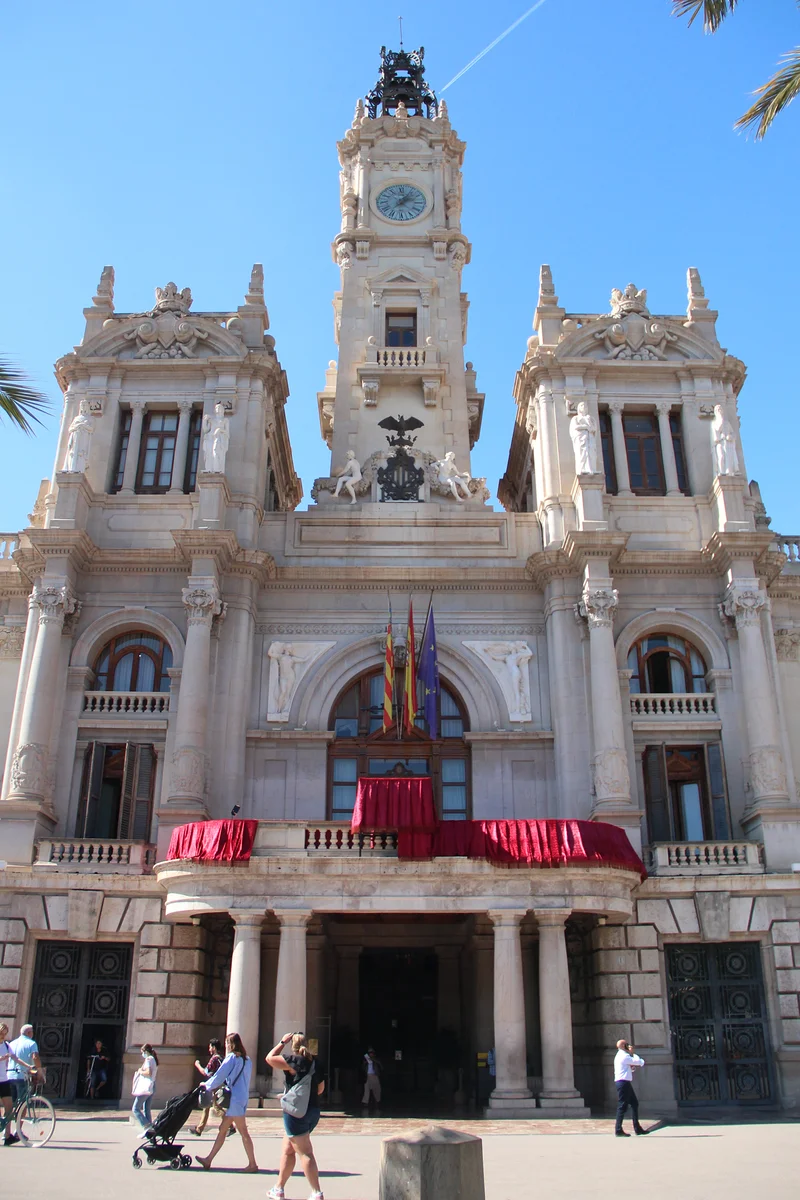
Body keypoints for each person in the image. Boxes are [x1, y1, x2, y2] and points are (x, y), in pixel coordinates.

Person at [265, 1031, 325, 1200]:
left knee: (305, 1152)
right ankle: (279, 1188)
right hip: (313, 1111)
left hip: (296, 1112)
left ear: (294, 1046)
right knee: (288, 1149)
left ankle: (316, 1192)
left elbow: (269, 1058)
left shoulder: (294, 1061)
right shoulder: (315, 1063)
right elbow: (320, 1089)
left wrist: (281, 1042)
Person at [195, 1032, 258, 1173]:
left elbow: (220, 1075)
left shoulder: (231, 1058)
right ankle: (208, 1159)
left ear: (230, 1044)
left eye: (227, 1043)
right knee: (223, 1129)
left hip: (234, 1099)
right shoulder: (247, 1059)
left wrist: (207, 1086)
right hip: (242, 1097)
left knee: (243, 1131)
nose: (226, 1046)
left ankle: (252, 1164)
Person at [190, 1038, 233, 1137]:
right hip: (218, 1085)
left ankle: (230, 1126)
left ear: (214, 1047)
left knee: (216, 1107)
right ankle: (199, 1129)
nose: (209, 1049)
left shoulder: (214, 1059)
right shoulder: (222, 1058)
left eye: (210, 1047)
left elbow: (205, 1072)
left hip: (214, 1086)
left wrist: (197, 1065)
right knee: (207, 1107)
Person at [614, 1038, 648, 1136]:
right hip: (623, 1082)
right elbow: (639, 1062)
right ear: (624, 1046)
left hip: (624, 1082)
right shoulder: (624, 1056)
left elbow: (631, 1068)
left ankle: (637, 1128)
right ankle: (618, 1129)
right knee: (622, 1106)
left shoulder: (621, 1056)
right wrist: (632, 1053)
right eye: (627, 1044)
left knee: (634, 1103)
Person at [0, 1022, 26, 1147]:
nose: (3, 1035)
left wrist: (28, 1066)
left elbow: (15, 1058)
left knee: (9, 1109)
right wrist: (1, 1058)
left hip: (4, 1080)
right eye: (2, 1033)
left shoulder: (6, 1045)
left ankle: (7, 1136)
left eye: (5, 1033)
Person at [131, 1044, 158, 1135]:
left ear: (146, 1052)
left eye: (142, 1052)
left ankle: (147, 1126)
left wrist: (140, 1071)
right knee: (146, 1108)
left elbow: (148, 1072)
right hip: (151, 1085)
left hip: (146, 1087)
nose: (142, 1054)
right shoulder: (153, 1059)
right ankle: (150, 1130)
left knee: (135, 1108)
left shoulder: (149, 1059)